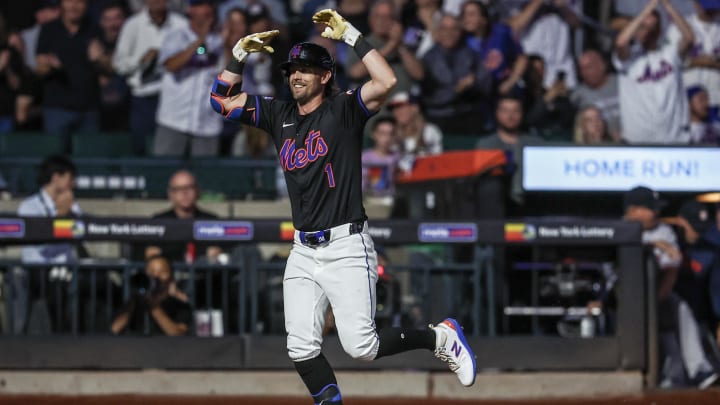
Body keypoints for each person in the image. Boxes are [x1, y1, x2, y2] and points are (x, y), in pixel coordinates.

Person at [209, 9, 477, 404]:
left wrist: (351, 35)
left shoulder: (343, 110)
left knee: (362, 347)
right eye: (291, 70)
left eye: (304, 69)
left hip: (346, 244)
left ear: (325, 75)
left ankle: (440, 337)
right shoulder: (279, 114)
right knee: (300, 348)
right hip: (302, 249)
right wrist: (237, 55)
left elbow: (386, 80)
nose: (295, 75)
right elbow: (220, 101)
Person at [623, 186, 718, 388]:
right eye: (651, 208)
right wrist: (652, 245)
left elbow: (672, 265)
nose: (656, 212)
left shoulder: (663, 231)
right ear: (634, 210)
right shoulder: (615, 229)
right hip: (623, 298)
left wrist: (658, 299)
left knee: (678, 309)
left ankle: (698, 370)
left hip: (656, 294)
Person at [15, 155, 81, 334]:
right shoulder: (29, 206)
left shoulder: (73, 207)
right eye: (70, 178)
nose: (73, 184)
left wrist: (68, 214)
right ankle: (57, 343)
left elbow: (79, 234)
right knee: (55, 287)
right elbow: (41, 245)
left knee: (98, 283)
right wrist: (60, 216)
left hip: (67, 270)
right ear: (56, 178)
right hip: (37, 270)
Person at [612, 0, 695, 144]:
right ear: (636, 29)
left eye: (654, 28)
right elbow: (621, 42)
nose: (649, 32)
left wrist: (668, 6)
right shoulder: (628, 59)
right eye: (644, 27)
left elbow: (689, 38)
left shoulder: (670, 54)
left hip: (674, 140)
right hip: (638, 141)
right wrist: (645, 12)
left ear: (660, 31)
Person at [112, 0, 188, 155]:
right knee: (142, 148)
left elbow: (201, 49)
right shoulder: (133, 25)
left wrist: (196, 51)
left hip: (174, 98)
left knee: (171, 150)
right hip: (143, 98)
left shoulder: (182, 24)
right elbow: (119, 63)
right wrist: (141, 60)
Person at [153, 0, 224, 157]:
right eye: (201, 5)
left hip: (207, 124)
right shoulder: (176, 35)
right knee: (163, 174)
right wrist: (200, 40)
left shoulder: (220, 40)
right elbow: (171, 65)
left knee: (204, 178)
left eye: (209, 5)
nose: (207, 9)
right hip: (174, 121)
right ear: (191, 10)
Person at [35, 0, 102, 153]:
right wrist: (50, 66)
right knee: (56, 161)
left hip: (89, 109)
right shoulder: (49, 29)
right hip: (57, 109)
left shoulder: (94, 28)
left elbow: (109, 67)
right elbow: (39, 68)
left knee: (90, 161)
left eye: (79, 2)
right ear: (62, 4)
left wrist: (100, 59)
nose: (74, 6)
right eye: (69, 1)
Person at [476, 95, 543, 207]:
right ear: (497, 113)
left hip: (531, 202)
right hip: (496, 204)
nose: (510, 116)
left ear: (522, 114)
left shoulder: (535, 144)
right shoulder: (486, 145)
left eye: (515, 111)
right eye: (505, 111)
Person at [144, 170, 221, 264]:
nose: (184, 193)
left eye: (189, 187)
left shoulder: (212, 221)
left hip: (204, 276)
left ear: (197, 191)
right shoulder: (158, 221)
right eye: (179, 189)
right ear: (170, 194)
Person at [111, 255, 192, 336]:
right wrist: (135, 299)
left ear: (171, 277)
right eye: (151, 272)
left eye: (162, 272)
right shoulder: (134, 303)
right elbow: (115, 329)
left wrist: (153, 305)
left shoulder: (181, 306)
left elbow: (178, 333)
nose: (156, 276)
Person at [666, 0, 720, 113]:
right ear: (696, 4)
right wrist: (698, 62)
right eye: (707, 7)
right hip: (687, 100)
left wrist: (714, 63)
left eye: (714, 7)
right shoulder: (680, 27)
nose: (711, 11)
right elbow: (668, 63)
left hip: (716, 100)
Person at [570, 49, 621, 140]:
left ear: (602, 66)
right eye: (582, 69)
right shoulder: (577, 95)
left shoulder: (621, 83)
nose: (584, 73)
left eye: (588, 67)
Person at [361, 116, 400, 198]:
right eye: (382, 133)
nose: (387, 138)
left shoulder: (398, 158)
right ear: (374, 134)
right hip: (369, 202)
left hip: (392, 202)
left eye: (391, 134)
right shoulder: (363, 158)